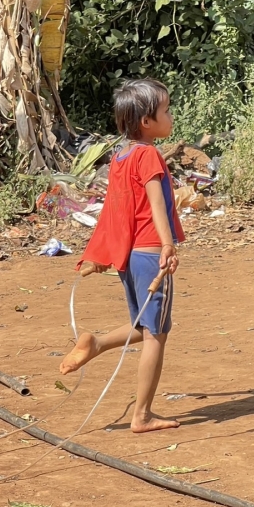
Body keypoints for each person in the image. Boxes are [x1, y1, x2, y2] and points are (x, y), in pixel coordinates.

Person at [59, 78, 185, 433]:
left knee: (145, 325)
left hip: (131, 257)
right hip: (150, 252)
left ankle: (96, 343)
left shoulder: (121, 156)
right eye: (166, 110)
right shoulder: (148, 155)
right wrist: (167, 244)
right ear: (147, 121)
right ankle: (142, 415)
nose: (170, 115)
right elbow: (156, 204)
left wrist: (100, 255)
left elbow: (114, 210)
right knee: (156, 334)